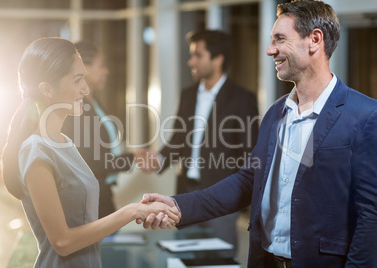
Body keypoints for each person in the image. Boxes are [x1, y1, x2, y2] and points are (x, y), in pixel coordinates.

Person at [138, 1, 377, 267]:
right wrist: (177, 205)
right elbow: (248, 181)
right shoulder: (276, 114)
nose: (269, 49)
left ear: (315, 40)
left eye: (280, 39)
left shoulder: (365, 116)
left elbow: (371, 215)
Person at [0, 37, 180, 268]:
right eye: (77, 80)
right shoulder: (36, 152)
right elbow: (62, 242)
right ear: (47, 89)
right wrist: (134, 210)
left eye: (84, 77)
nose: (85, 88)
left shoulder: (64, 142)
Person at [139, 29, 259, 256]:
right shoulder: (188, 94)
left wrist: (243, 200)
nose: (190, 61)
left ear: (218, 59)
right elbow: (177, 140)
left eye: (197, 55)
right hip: (186, 195)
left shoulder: (243, 99)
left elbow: (250, 154)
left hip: (223, 199)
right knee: (185, 259)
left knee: (220, 261)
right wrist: (159, 159)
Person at [62, 41, 134, 218]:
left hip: (102, 193)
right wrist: (132, 159)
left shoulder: (94, 103)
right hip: (88, 198)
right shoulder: (77, 109)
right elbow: (89, 163)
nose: (106, 72)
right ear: (83, 67)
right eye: (101, 66)